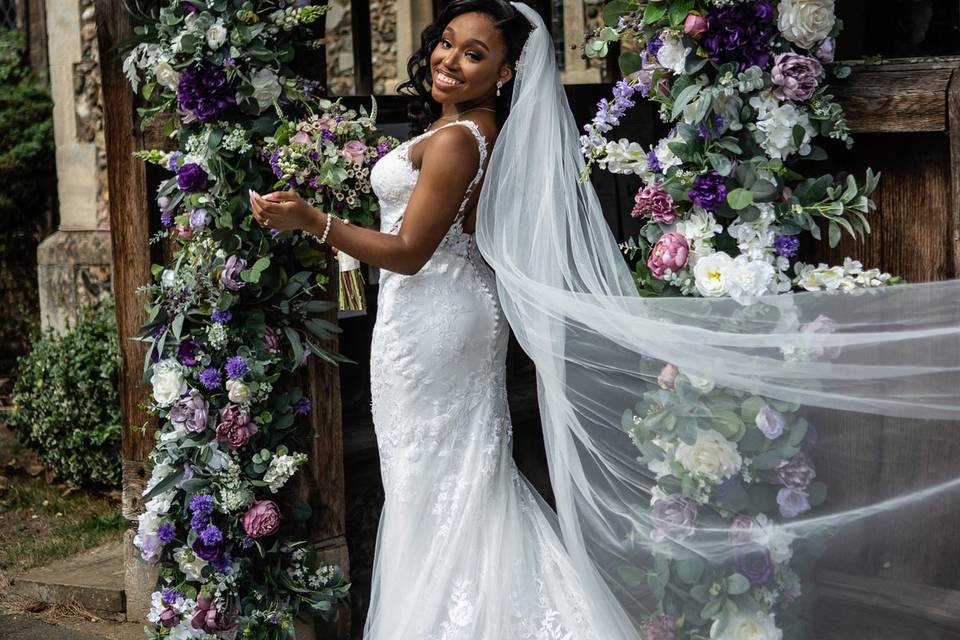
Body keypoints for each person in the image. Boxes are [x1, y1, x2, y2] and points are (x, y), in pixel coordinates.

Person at [251, 1, 960, 638]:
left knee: (439, 477)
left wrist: (314, 222)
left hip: (433, 321)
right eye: (446, 43)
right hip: (438, 315)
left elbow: (408, 251)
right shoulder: (466, 130)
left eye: (475, 53)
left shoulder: (462, 137)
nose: (448, 58)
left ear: (505, 73)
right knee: (450, 475)